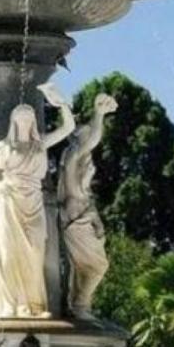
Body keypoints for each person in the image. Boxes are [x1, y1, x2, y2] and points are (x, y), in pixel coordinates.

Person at [0, 85, 75, 319]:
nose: (27, 122)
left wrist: (61, 103)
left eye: (30, 119)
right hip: (8, 200)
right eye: (22, 119)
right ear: (14, 122)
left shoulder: (40, 145)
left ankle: (32, 304)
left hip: (33, 201)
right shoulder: (3, 147)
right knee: (8, 252)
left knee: (35, 252)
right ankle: (9, 303)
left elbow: (68, 128)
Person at [59, 93, 118, 319]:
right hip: (77, 217)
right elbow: (93, 139)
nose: (91, 140)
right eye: (86, 134)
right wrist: (99, 115)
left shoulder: (77, 158)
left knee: (84, 267)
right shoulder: (74, 155)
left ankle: (79, 303)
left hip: (81, 215)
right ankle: (81, 304)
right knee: (97, 267)